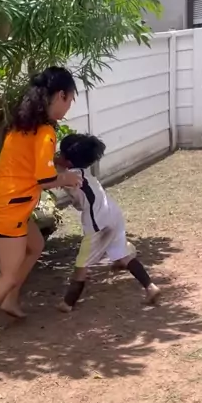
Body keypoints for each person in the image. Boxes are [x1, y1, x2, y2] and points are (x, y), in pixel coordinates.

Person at [0, 67, 83, 347]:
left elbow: (31, 165)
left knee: (36, 244)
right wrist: (66, 177)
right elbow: (44, 178)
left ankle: (11, 299)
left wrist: (57, 166)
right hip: (9, 210)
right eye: (70, 99)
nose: (69, 106)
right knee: (7, 275)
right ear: (61, 95)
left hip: (6, 204)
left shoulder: (24, 126)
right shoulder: (45, 131)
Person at [52, 133, 160, 312]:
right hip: (112, 213)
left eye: (60, 153)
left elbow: (49, 177)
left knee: (82, 264)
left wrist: (52, 161)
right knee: (123, 253)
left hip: (97, 221)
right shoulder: (84, 172)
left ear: (68, 160)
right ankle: (150, 287)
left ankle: (67, 304)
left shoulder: (70, 176)